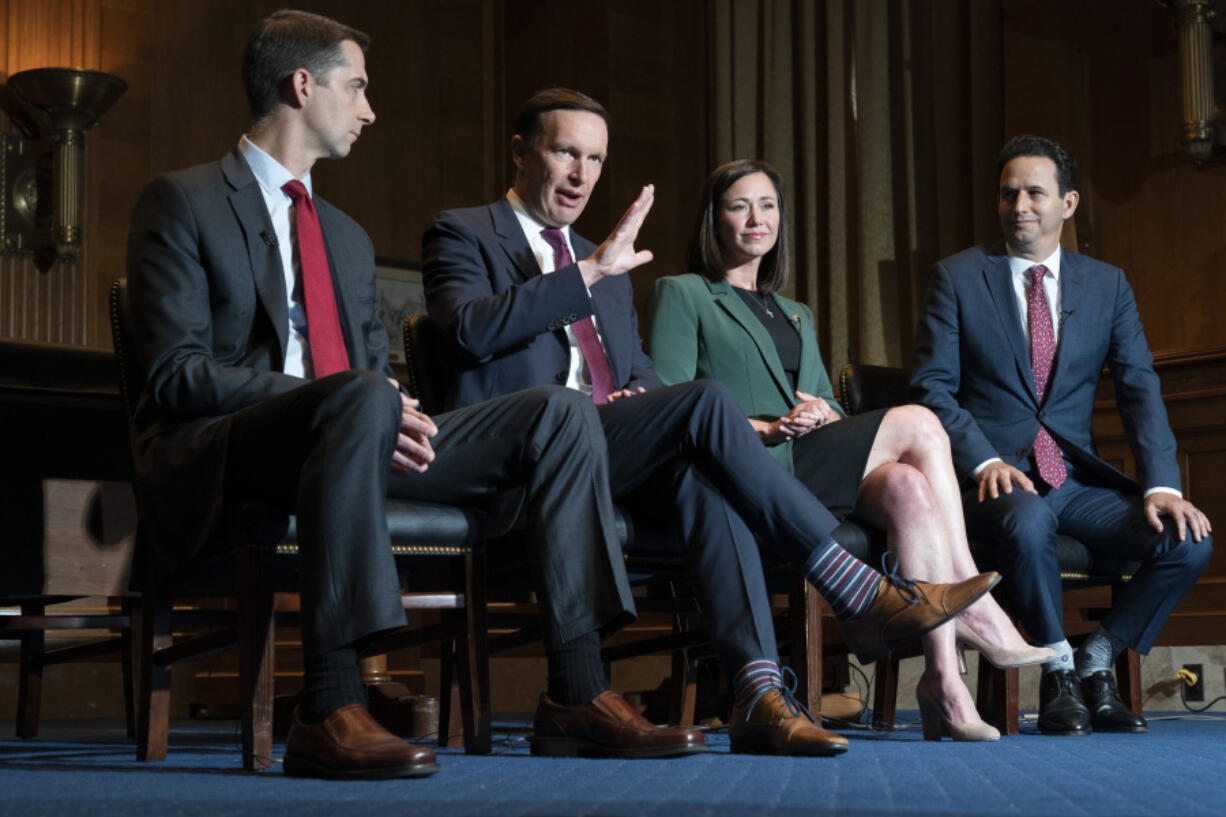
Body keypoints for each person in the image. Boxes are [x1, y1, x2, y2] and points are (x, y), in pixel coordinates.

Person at [125, 11, 707, 779]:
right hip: (237, 449)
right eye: (357, 87)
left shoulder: (348, 236)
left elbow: (372, 369)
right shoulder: (185, 201)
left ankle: (578, 690)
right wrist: (344, 397)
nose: (370, 109)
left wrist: (387, 404)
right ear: (303, 86)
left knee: (559, 412)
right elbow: (173, 376)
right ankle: (327, 702)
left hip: (357, 431)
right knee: (359, 397)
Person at [422, 87, 997, 755]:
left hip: (611, 451)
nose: (582, 174)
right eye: (565, 153)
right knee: (705, 401)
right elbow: (465, 330)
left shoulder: (605, 260)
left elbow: (639, 371)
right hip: (527, 455)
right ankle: (853, 584)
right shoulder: (465, 231)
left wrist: (633, 392)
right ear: (521, 153)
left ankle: (757, 694)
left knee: (704, 469)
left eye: (597, 159)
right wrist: (586, 274)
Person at [645, 159, 1054, 742]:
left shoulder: (794, 312)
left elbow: (826, 407)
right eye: (740, 206)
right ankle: (972, 601)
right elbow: (670, 405)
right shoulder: (682, 293)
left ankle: (944, 682)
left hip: (807, 459)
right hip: (748, 468)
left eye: (768, 205)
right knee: (918, 421)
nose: (757, 218)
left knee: (909, 488)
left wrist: (820, 413)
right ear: (714, 219)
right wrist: (765, 426)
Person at [911, 134, 1213, 736]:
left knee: (1188, 542)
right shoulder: (959, 277)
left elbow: (1139, 388)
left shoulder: (1108, 285)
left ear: (1067, 204)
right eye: (1008, 193)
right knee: (1028, 521)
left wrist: (1162, 486)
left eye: (1035, 192)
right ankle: (1057, 671)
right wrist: (982, 460)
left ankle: (1097, 658)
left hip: (1073, 480)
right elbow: (932, 388)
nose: (1020, 204)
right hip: (996, 480)